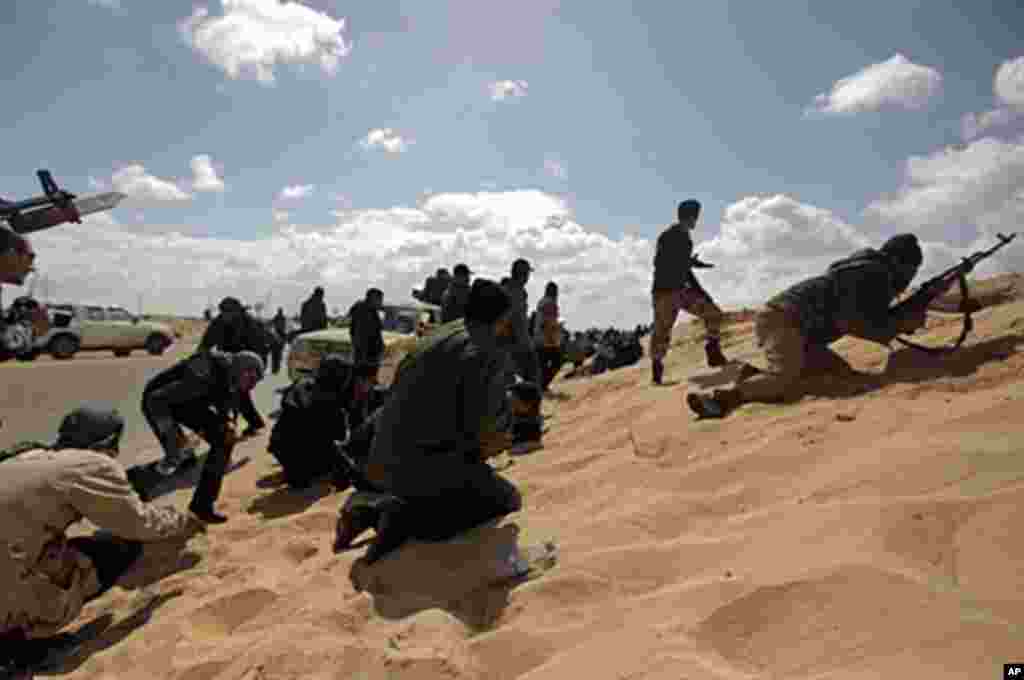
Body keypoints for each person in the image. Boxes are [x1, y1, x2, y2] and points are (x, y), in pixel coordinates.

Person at [334, 279, 522, 562]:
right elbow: (485, 430)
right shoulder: (484, 350)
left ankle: (376, 510)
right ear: (501, 318)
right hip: (420, 469)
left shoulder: (439, 334)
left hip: (380, 460)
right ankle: (395, 518)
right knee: (506, 500)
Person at [0, 406, 196, 652]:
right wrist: (182, 521)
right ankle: (16, 642)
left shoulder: (26, 457)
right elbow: (138, 523)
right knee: (115, 550)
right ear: (109, 441)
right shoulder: (90, 464)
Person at [686, 233, 936, 419]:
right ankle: (721, 400)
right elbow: (853, 321)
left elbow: (869, 317)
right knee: (784, 379)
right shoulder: (872, 275)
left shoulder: (872, 273)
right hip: (784, 320)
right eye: (911, 270)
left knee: (840, 377)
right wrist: (896, 326)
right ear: (897, 262)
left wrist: (901, 319)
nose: (910, 278)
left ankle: (749, 374)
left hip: (800, 332)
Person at [141, 350, 265, 522]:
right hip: (158, 403)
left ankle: (202, 506)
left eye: (255, 381)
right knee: (179, 456)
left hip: (188, 402)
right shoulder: (204, 370)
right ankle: (135, 487)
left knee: (224, 440)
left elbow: (228, 406)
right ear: (238, 369)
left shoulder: (234, 379)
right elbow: (157, 400)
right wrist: (172, 436)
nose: (252, 385)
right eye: (250, 379)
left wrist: (228, 423)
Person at [267, 356, 382, 489]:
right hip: (297, 451)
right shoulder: (328, 401)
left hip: (281, 447)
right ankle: (302, 471)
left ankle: (299, 472)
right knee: (319, 471)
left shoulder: (305, 384)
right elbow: (331, 443)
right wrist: (353, 476)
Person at [650, 199, 728, 385]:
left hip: (678, 290)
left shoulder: (674, 235)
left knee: (713, 314)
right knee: (663, 331)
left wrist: (690, 263)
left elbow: (674, 262)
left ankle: (713, 352)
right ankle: (657, 370)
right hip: (666, 292)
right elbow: (670, 264)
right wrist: (700, 290)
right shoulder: (678, 237)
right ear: (692, 216)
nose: (697, 220)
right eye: (696, 216)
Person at [198, 297, 268, 437]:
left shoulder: (250, 323)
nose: (226, 315)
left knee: (240, 394)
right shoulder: (218, 322)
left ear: (237, 311)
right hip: (227, 362)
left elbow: (261, 348)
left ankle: (247, 423)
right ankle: (234, 423)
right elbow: (205, 344)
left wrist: (254, 371)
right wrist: (198, 358)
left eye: (230, 311)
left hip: (250, 363)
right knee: (223, 391)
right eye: (224, 312)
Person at [503, 258, 542, 386]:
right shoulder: (511, 292)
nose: (528, 278)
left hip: (521, 344)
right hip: (516, 346)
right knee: (527, 384)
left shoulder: (519, 291)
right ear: (523, 275)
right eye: (527, 274)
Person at [533, 281, 563, 391]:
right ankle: (542, 385)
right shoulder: (550, 303)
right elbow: (548, 322)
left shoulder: (542, 302)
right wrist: (553, 338)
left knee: (542, 365)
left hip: (539, 338)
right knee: (557, 361)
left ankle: (541, 385)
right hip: (547, 339)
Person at [348, 288, 385, 369]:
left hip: (367, 355)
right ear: (373, 298)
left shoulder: (371, 312)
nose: (381, 302)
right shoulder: (364, 313)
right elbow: (362, 336)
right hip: (366, 356)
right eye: (380, 299)